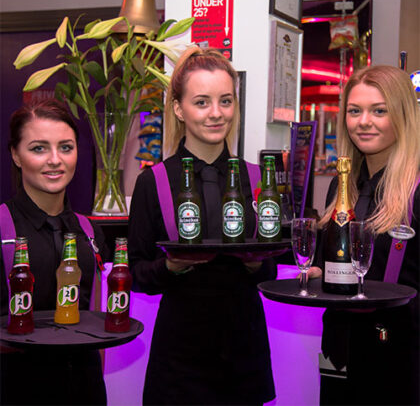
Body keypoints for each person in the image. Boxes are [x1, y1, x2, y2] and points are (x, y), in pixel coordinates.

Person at [128, 47, 277, 405]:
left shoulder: (257, 179)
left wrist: (259, 264)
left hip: (245, 348)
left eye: (225, 101)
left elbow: (272, 267)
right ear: (178, 109)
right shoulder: (155, 182)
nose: (216, 113)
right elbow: (136, 273)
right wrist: (170, 267)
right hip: (180, 355)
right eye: (202, 102)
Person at [314, 65, 420, 405]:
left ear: (402, 115)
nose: (364, 122)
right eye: (354, 111)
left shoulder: (416, 191)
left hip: (400, 354)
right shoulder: (341, 186)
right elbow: (325, 265)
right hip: (339, 347)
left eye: (379, 111)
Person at [0, 99, 108, 405]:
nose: (55, 160)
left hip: (86, 391)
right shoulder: (2, 229)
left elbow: (96, 323)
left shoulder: (89, 232)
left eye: (65, 147)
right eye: (38, 148)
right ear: (16, 155)